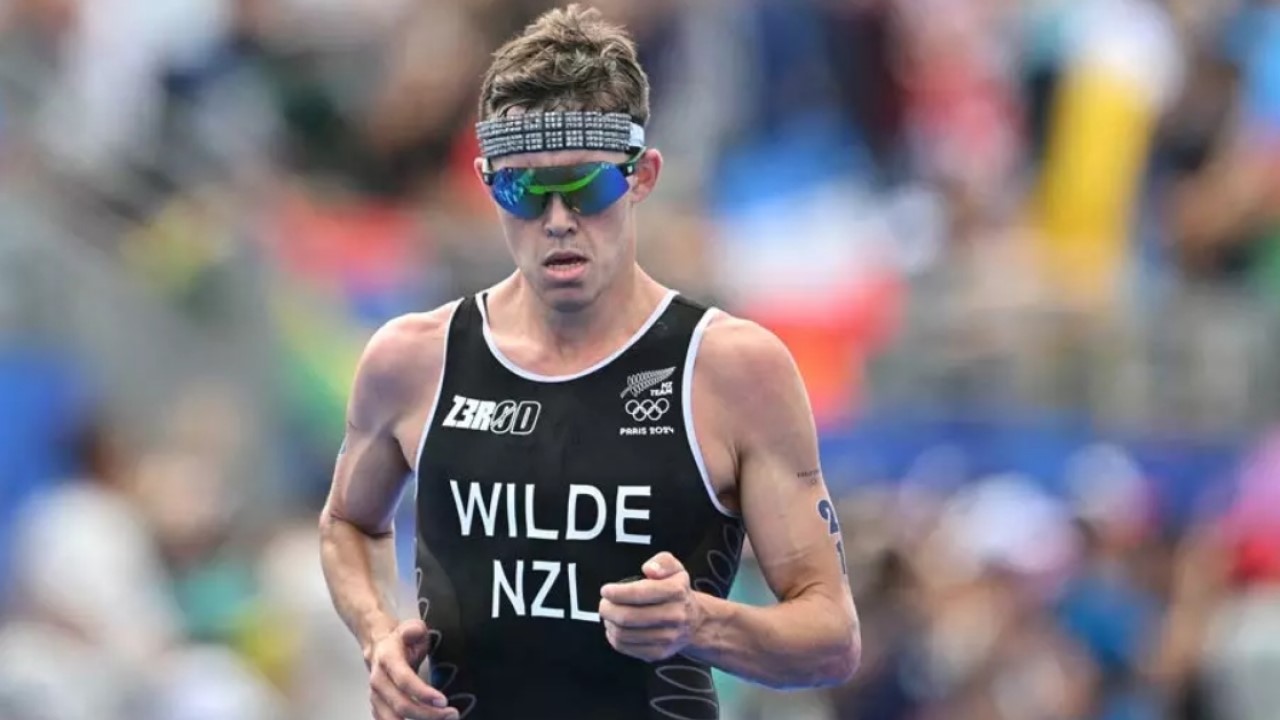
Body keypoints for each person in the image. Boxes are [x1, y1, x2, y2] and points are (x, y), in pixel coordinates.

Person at [318, 6, 860, 719]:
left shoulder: (730, 370)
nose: (558, 220)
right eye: (523, 190)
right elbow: (348, 524)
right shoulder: (413, 359)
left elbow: (831, 638)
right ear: (486, 182)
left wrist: (699, 623)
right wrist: (377, 633)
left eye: (588, 187)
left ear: (642, 177)